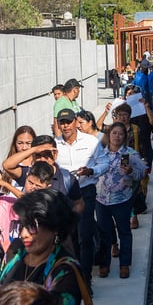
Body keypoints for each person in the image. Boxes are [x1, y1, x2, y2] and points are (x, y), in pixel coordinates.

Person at [79, 122, 146, 278]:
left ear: (124, 137)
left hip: (122, 199)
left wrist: (130, 171)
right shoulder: (100, 154)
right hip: (101, 199)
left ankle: (124, 264)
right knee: (104, 233)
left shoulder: (130, 154)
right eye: (114, 133)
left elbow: (141, 174)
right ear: (108, 135)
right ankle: (104, 264)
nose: (117, 136)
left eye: (120, 134)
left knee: (124, 232)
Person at [54, 108, 101, 287]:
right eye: (62, 122)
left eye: (68, 121)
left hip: (85, 191)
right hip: (64, 196)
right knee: (68, 238)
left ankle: (85, 280)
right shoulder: (55, 145)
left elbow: (103, 162)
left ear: (75, 122)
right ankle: (72, 278)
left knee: (85, 237)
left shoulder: (91, 142)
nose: (65, 126)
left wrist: (92, 171)